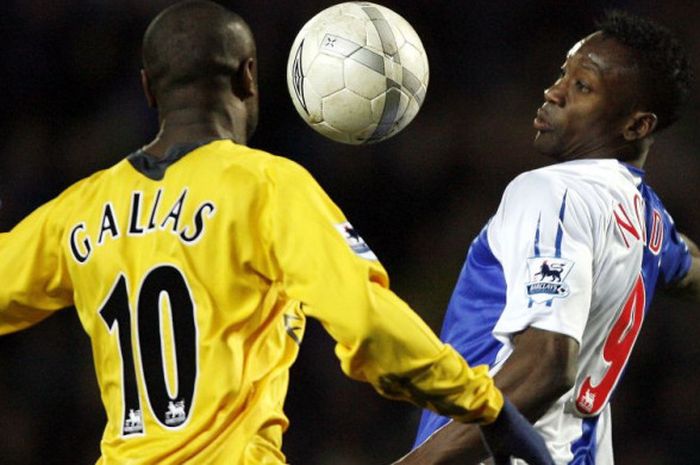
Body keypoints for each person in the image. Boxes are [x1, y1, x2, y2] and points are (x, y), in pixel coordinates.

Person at [0, 1, 553, 464]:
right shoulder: (265, 186)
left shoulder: (80, 208)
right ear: (248, 76)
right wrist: (487, 405)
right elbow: (365, 321)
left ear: (148, 89)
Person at [395, 10, 700, 465]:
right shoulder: (651, 221)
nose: (552, 92)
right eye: (564, 73)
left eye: (582, 86)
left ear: (637, 126)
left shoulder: (552, 192)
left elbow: (547, 365)